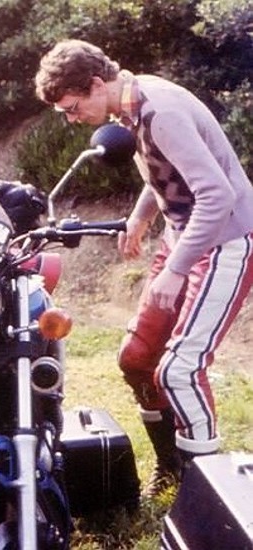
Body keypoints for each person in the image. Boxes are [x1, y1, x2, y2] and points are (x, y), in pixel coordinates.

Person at [35, 39, 253, 498]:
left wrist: (176, 268)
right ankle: (170, 466)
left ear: (97, 84)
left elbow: (218, 195)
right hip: (184, 237)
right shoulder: (131, 108)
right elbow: (166, 171)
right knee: (137, 359)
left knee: (179, 370)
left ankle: (204, 495)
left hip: (226, 240)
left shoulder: (162, 111)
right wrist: (140, 218)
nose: (73, 119)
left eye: (73, 108)